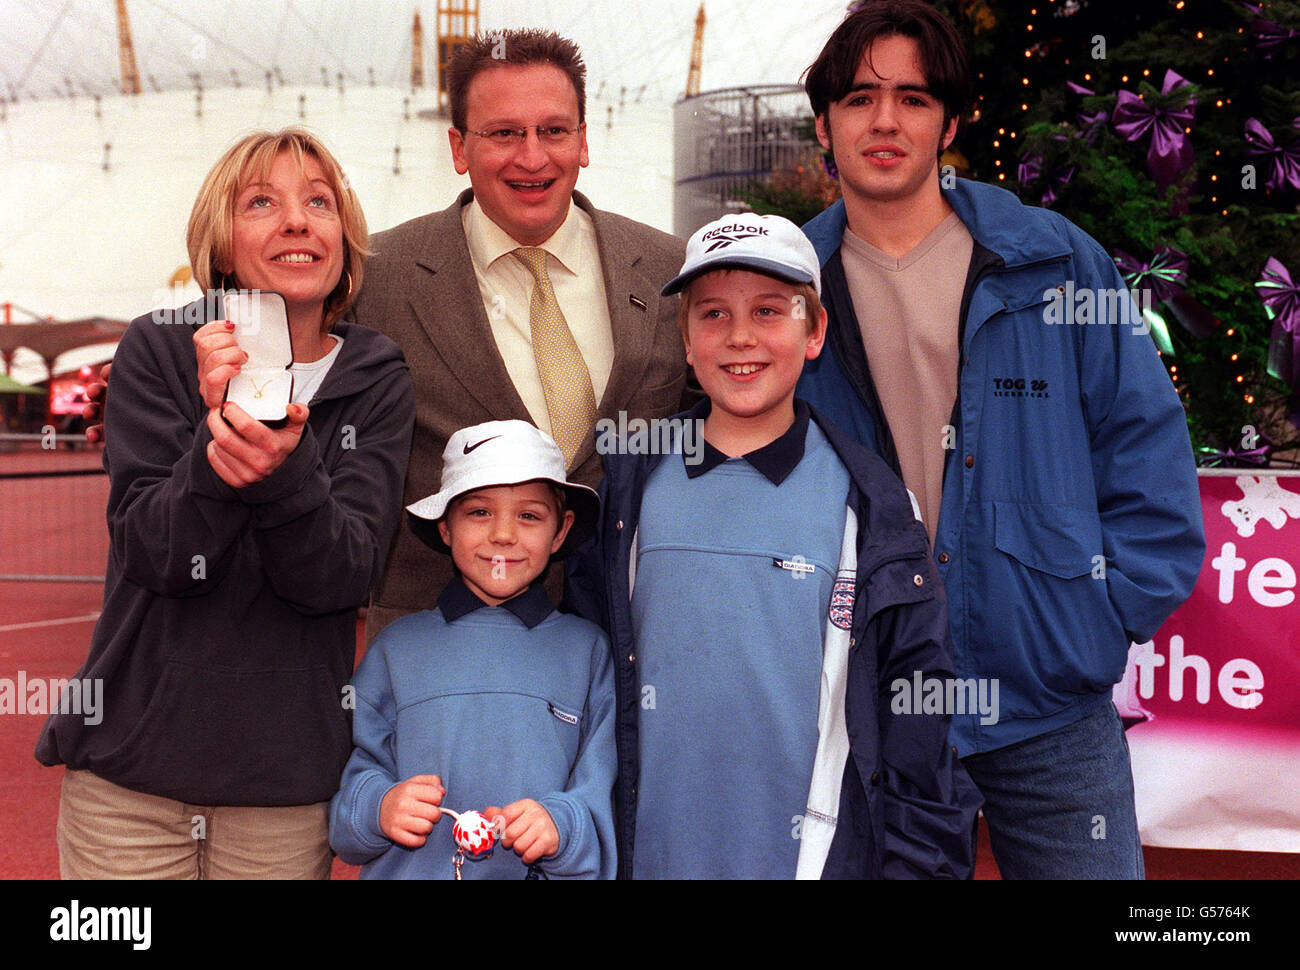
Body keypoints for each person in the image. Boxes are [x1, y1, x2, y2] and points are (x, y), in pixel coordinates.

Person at [797, 0, 1205, 878]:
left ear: (951, 122)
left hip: (1046, 697)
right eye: (860, 98)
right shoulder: (786, 283)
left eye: (913, 98)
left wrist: (1104, 614)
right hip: (869, 701)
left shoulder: (1052, 260)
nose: (885, 121)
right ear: (824, 123)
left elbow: (1142, 438)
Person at [35, 128, 416, 879]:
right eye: (262, 203)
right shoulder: (158, 349)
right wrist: (218, 455)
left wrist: (283, 467)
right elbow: (158, 554)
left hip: (282, 796)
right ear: (222, 239)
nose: (298, 221)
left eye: (319, 203)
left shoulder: (378, 375)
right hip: (128, 785)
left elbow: (339, 578)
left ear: (344, 238)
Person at [567, 212, 980, 879]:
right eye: (713, 314)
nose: (740, 337)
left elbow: (916, 723)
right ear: (686, 339)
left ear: (813, 332)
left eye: (768, 311)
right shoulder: (629, 487)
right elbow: (583, 683)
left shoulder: (871, 505)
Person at [353, 29, 692, 640]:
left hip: (632, 641)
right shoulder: (374, 278)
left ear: (583, 141)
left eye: (553, 131)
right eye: (504, 133)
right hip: (436, 650)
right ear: (459, 147)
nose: (532, 158)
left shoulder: (673, 272)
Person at [329, 420, 615, 879]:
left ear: (561, 531)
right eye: (480, 512)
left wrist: (561, 826)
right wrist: (379, 808)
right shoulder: (396, 649)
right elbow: (345, 813)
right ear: (446, 526)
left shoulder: (589, 653)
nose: (503, 535)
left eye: (529, 516)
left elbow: (601, 800)